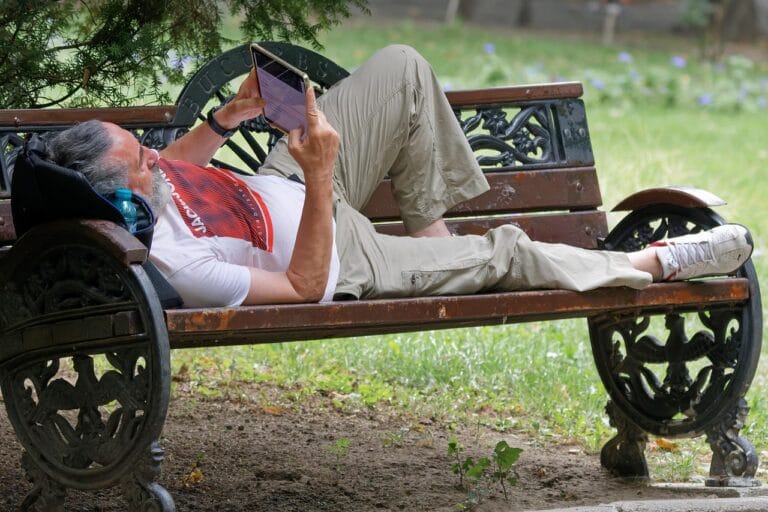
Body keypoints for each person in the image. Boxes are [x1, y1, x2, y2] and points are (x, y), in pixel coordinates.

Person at [44, 45, 752, 308]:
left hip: (287, 178)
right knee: (505, 249)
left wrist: (230, 117)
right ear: (120, 196)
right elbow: (300, 286)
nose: (155, 156)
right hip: (335, 252)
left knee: (404, 69)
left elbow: (176, 164)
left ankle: (432, 249)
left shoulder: (141, 190)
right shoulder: (182, 265)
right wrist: (321, 182)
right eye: (141, 159)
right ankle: (652, 262)